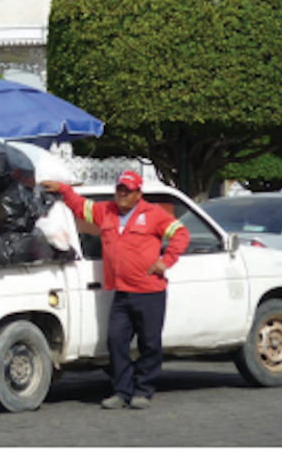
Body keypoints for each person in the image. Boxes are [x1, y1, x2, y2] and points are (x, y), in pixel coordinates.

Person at [41, 171, 190, 410]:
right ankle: (122, 390)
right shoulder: (106, 211)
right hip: (121, 292)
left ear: (138, 194)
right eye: (120, 189)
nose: (122, 194)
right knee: (116, 341)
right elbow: (81, 207)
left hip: (150, 292)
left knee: (149, 344)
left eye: (127, 190)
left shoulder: (153, 214)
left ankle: (143, 390)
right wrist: (63, 189)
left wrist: (166, 260)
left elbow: (181, 234)